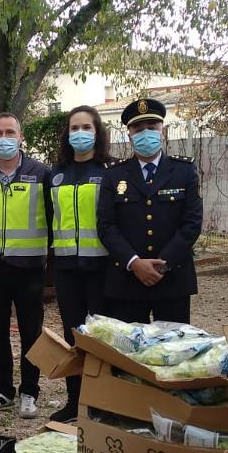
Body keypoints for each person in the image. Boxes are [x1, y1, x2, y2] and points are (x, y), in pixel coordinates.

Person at [0, 112, 52, 419]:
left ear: (20, 137)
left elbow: (52, 217)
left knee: (31, 332)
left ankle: (30, 391)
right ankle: (3, 390)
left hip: (29, 267)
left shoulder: (41, 173)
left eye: (10, 132)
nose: (4, 138)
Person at [97, 98, 202, 324]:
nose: (145, 133)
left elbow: (192, 223)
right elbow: (106, 226)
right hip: (127, 279)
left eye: (151, 128)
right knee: (127, 355)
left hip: (173, 278)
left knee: (174, 350)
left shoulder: (184, 171)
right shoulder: (114, 175)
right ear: (129, 135)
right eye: (138, 129)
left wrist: (162, 265)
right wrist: (135, 263)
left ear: (162, 132)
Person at [48, 105, 112, 422]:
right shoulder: (56, 175)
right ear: (67, 134)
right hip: (66, 269)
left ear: (97, 132)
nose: (80, 133)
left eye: (86, 127)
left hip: (100, 267)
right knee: (72, 336)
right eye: (74, 128)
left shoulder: (110, 171)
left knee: (100, 337)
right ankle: (74, 401)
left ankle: (102, 402)